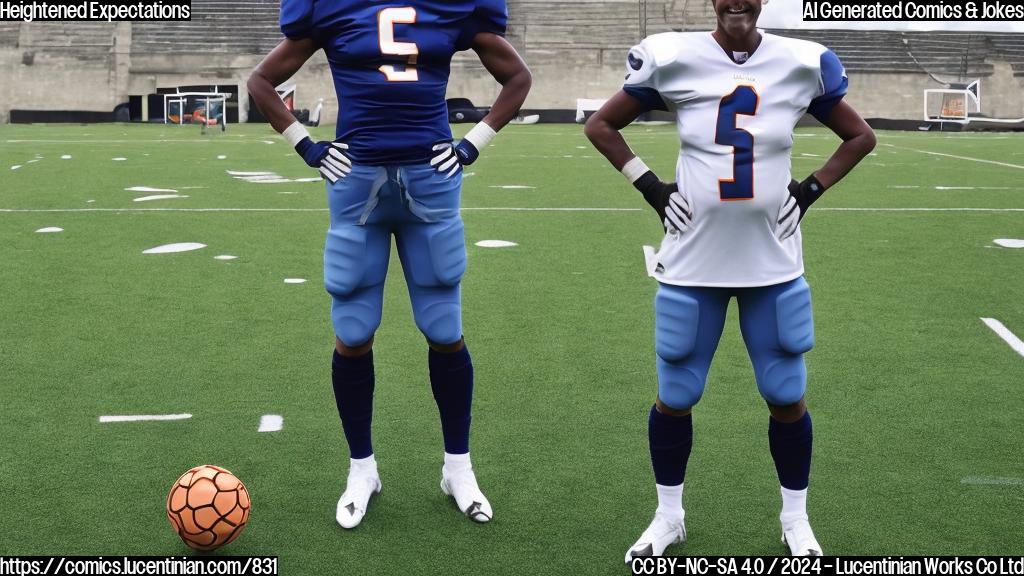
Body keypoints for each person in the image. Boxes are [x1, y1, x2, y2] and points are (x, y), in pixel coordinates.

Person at [584, 0, 875, 559]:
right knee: (677, 393)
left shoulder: (801, 60)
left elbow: (860, 137)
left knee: (785, 393)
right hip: (695, 260)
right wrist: (651, 187)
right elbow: (602, 124)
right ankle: (669, 516)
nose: (736, 2)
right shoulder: (673, 55)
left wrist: (811, 189)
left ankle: (795, 519)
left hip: (772, 258)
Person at [247, 0, 531, 529]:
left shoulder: (452, 7)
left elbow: (517, 78)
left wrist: (472, 145)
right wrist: (308, 148)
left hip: (431, 180)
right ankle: (362, 470)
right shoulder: (331, 7)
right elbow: (261, 81)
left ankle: (458, 468)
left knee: (444, 328)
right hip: (358, 183)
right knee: (353, 330)